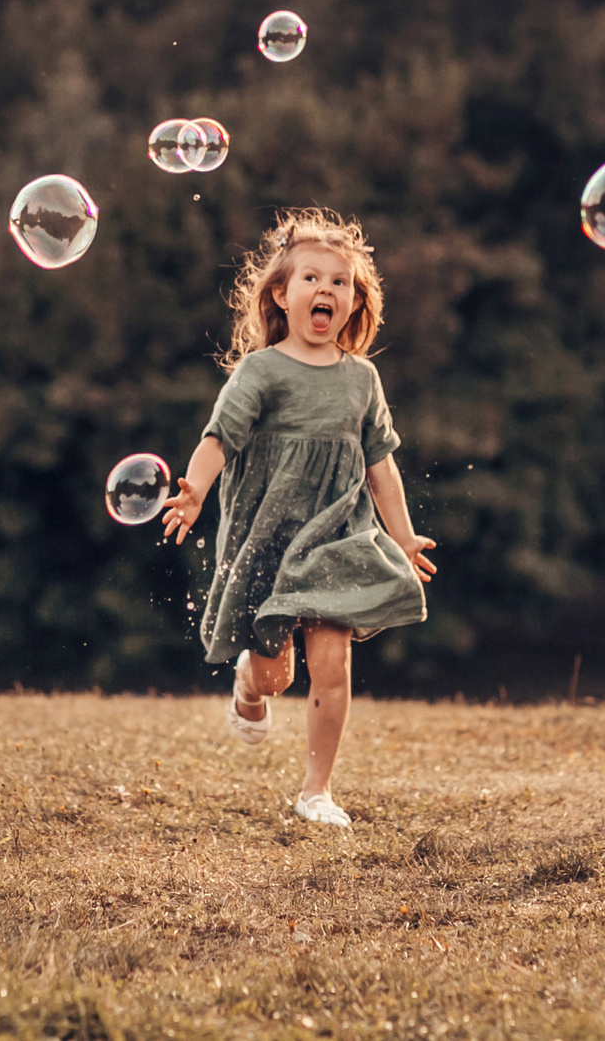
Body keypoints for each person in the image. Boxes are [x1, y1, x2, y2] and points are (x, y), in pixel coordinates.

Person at [161, 211, 435, 828]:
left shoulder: (362, 379)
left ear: (353, 301)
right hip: (270, 536)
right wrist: (195, 490)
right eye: (312, 277)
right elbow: (219, 439)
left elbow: (381, 466)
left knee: (334, 661)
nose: (327, 290)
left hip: (339, 535)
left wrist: (402, 534)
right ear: (282, 295)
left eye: (340, 282)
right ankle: (246, 687)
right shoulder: (262, 371)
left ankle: (316, 791)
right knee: (275, 673)